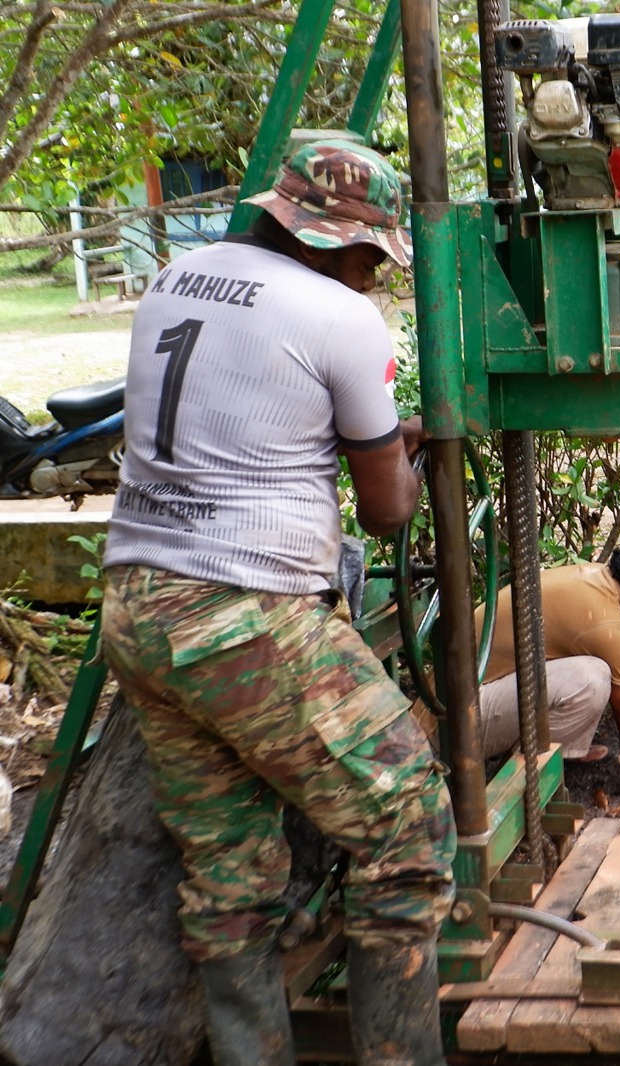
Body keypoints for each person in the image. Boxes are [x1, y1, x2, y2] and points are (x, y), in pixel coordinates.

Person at [99, 141, 455, 1065]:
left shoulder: (177, 277)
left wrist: (357, 436)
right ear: (333, 239)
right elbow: (386, 515)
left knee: (228, 875)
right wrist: (401, 454)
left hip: (137, 605)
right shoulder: (340, 316)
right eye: (373, 255)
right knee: (408, 826)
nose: (377, 276)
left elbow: (247, 412)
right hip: (242, 615)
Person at [476, 527, 620, 783]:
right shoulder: (606, 626)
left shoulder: (602, 583)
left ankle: (561, 753)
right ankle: (524, 778)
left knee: (600, 677)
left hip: (476, 698)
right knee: (591, 679)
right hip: (460, 722)